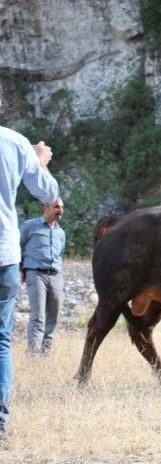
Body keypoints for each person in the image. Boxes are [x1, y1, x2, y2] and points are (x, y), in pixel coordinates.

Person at [0, 117, 60, 438]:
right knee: (1, 340)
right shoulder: (14, 142)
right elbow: (48, 192)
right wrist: (39, 163)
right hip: (4, 254)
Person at [20, 197, 66, 355]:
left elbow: (60, 254)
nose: (60, 210)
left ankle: (45, 352)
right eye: (57, 207)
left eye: (62, 207)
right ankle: (33, 353)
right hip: (36, 274)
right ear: (46, 207)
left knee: (54, 315)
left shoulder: (61, 233)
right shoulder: (29, 226)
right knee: (38, 315)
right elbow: (19, 247)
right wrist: (21, 269)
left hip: (56, 276)